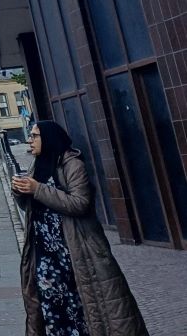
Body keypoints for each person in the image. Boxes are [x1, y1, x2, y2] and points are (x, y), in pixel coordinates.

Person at [11, 120, 148, 336]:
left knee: (87, 308)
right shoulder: (38, 164)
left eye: (35, 136)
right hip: (46, 256)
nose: (30, 140)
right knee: (52, 312)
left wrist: (37, 189)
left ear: (49, 138)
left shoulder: (72, 164)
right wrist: (21, 192)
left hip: (76, 251)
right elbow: (33, 206)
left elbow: (80, 203)